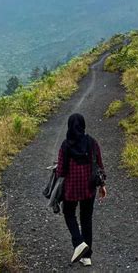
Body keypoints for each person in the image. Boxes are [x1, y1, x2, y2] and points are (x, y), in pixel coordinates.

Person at [56, 113, 107, 266]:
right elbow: (99, 165)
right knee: (86, 219)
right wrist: (102, 185)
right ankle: (87, 257)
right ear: (83, 125)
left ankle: (79, 243)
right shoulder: (92, 143)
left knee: (69, 213)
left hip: (71, 190)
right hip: (89, 188)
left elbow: (61, 171)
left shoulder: (65, 145)